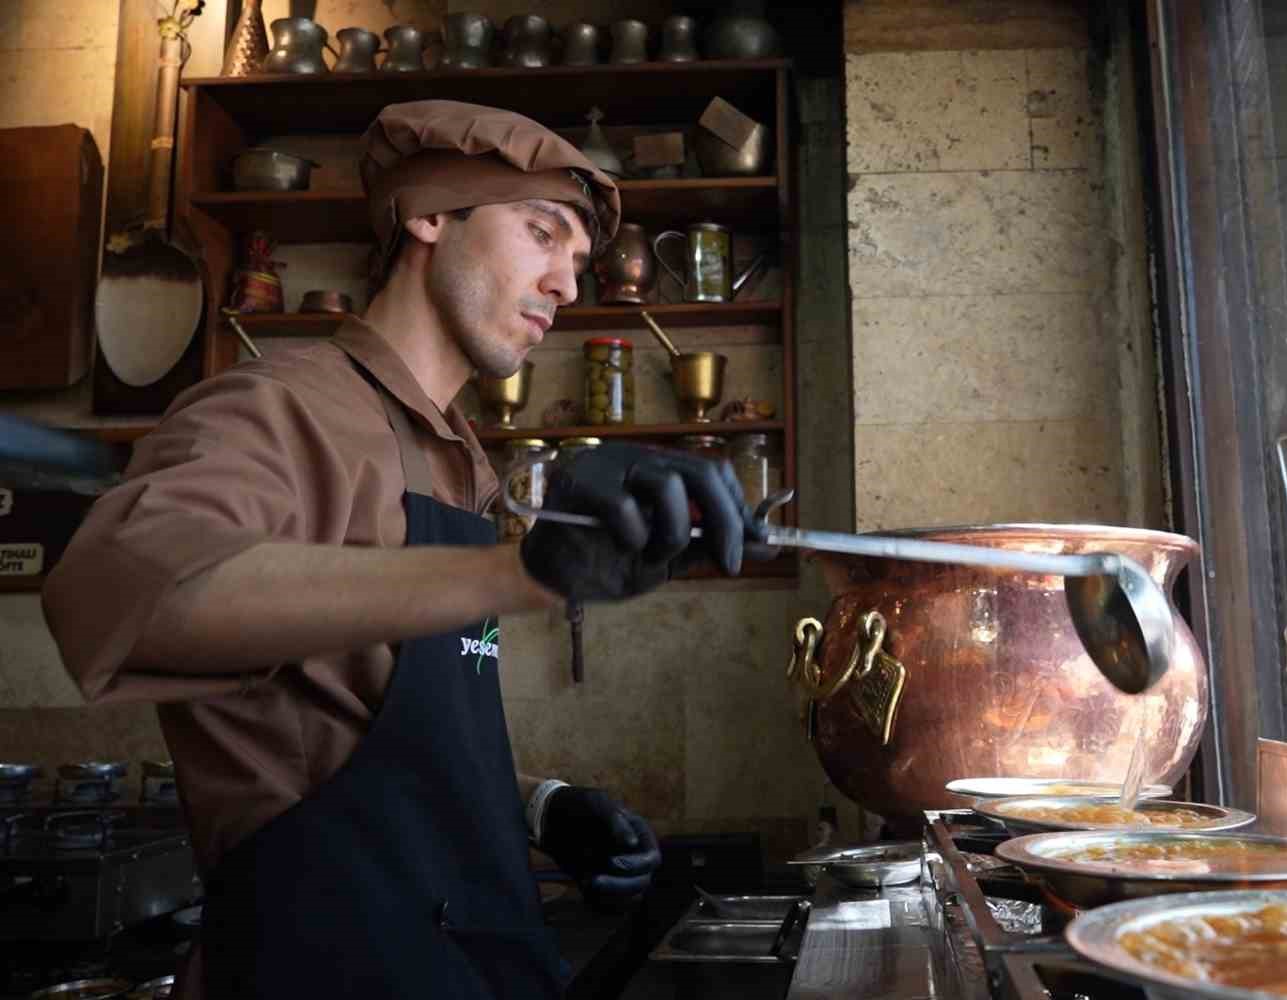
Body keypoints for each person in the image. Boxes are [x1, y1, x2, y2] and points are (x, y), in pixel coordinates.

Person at [41, 100, 759, 999]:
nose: (567, 284)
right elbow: (123, 597)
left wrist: (537, 805)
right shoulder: (277, 407)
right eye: (541, 234)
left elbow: (363, 724)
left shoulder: (460, 457)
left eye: (577, 261)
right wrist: (515, 573)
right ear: (428, 216)